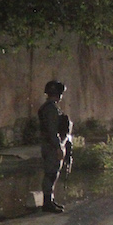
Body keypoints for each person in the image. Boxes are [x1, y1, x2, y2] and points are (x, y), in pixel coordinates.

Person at [38, 80, 69, 214]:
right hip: (51, 145)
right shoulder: (50, 109)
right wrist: (58, 147)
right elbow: (52, 130)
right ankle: (47, 203)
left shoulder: (50, 107)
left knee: (53, 173)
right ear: (58, 94)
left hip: (50, 144)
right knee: (50, 173)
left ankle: (50, 200)